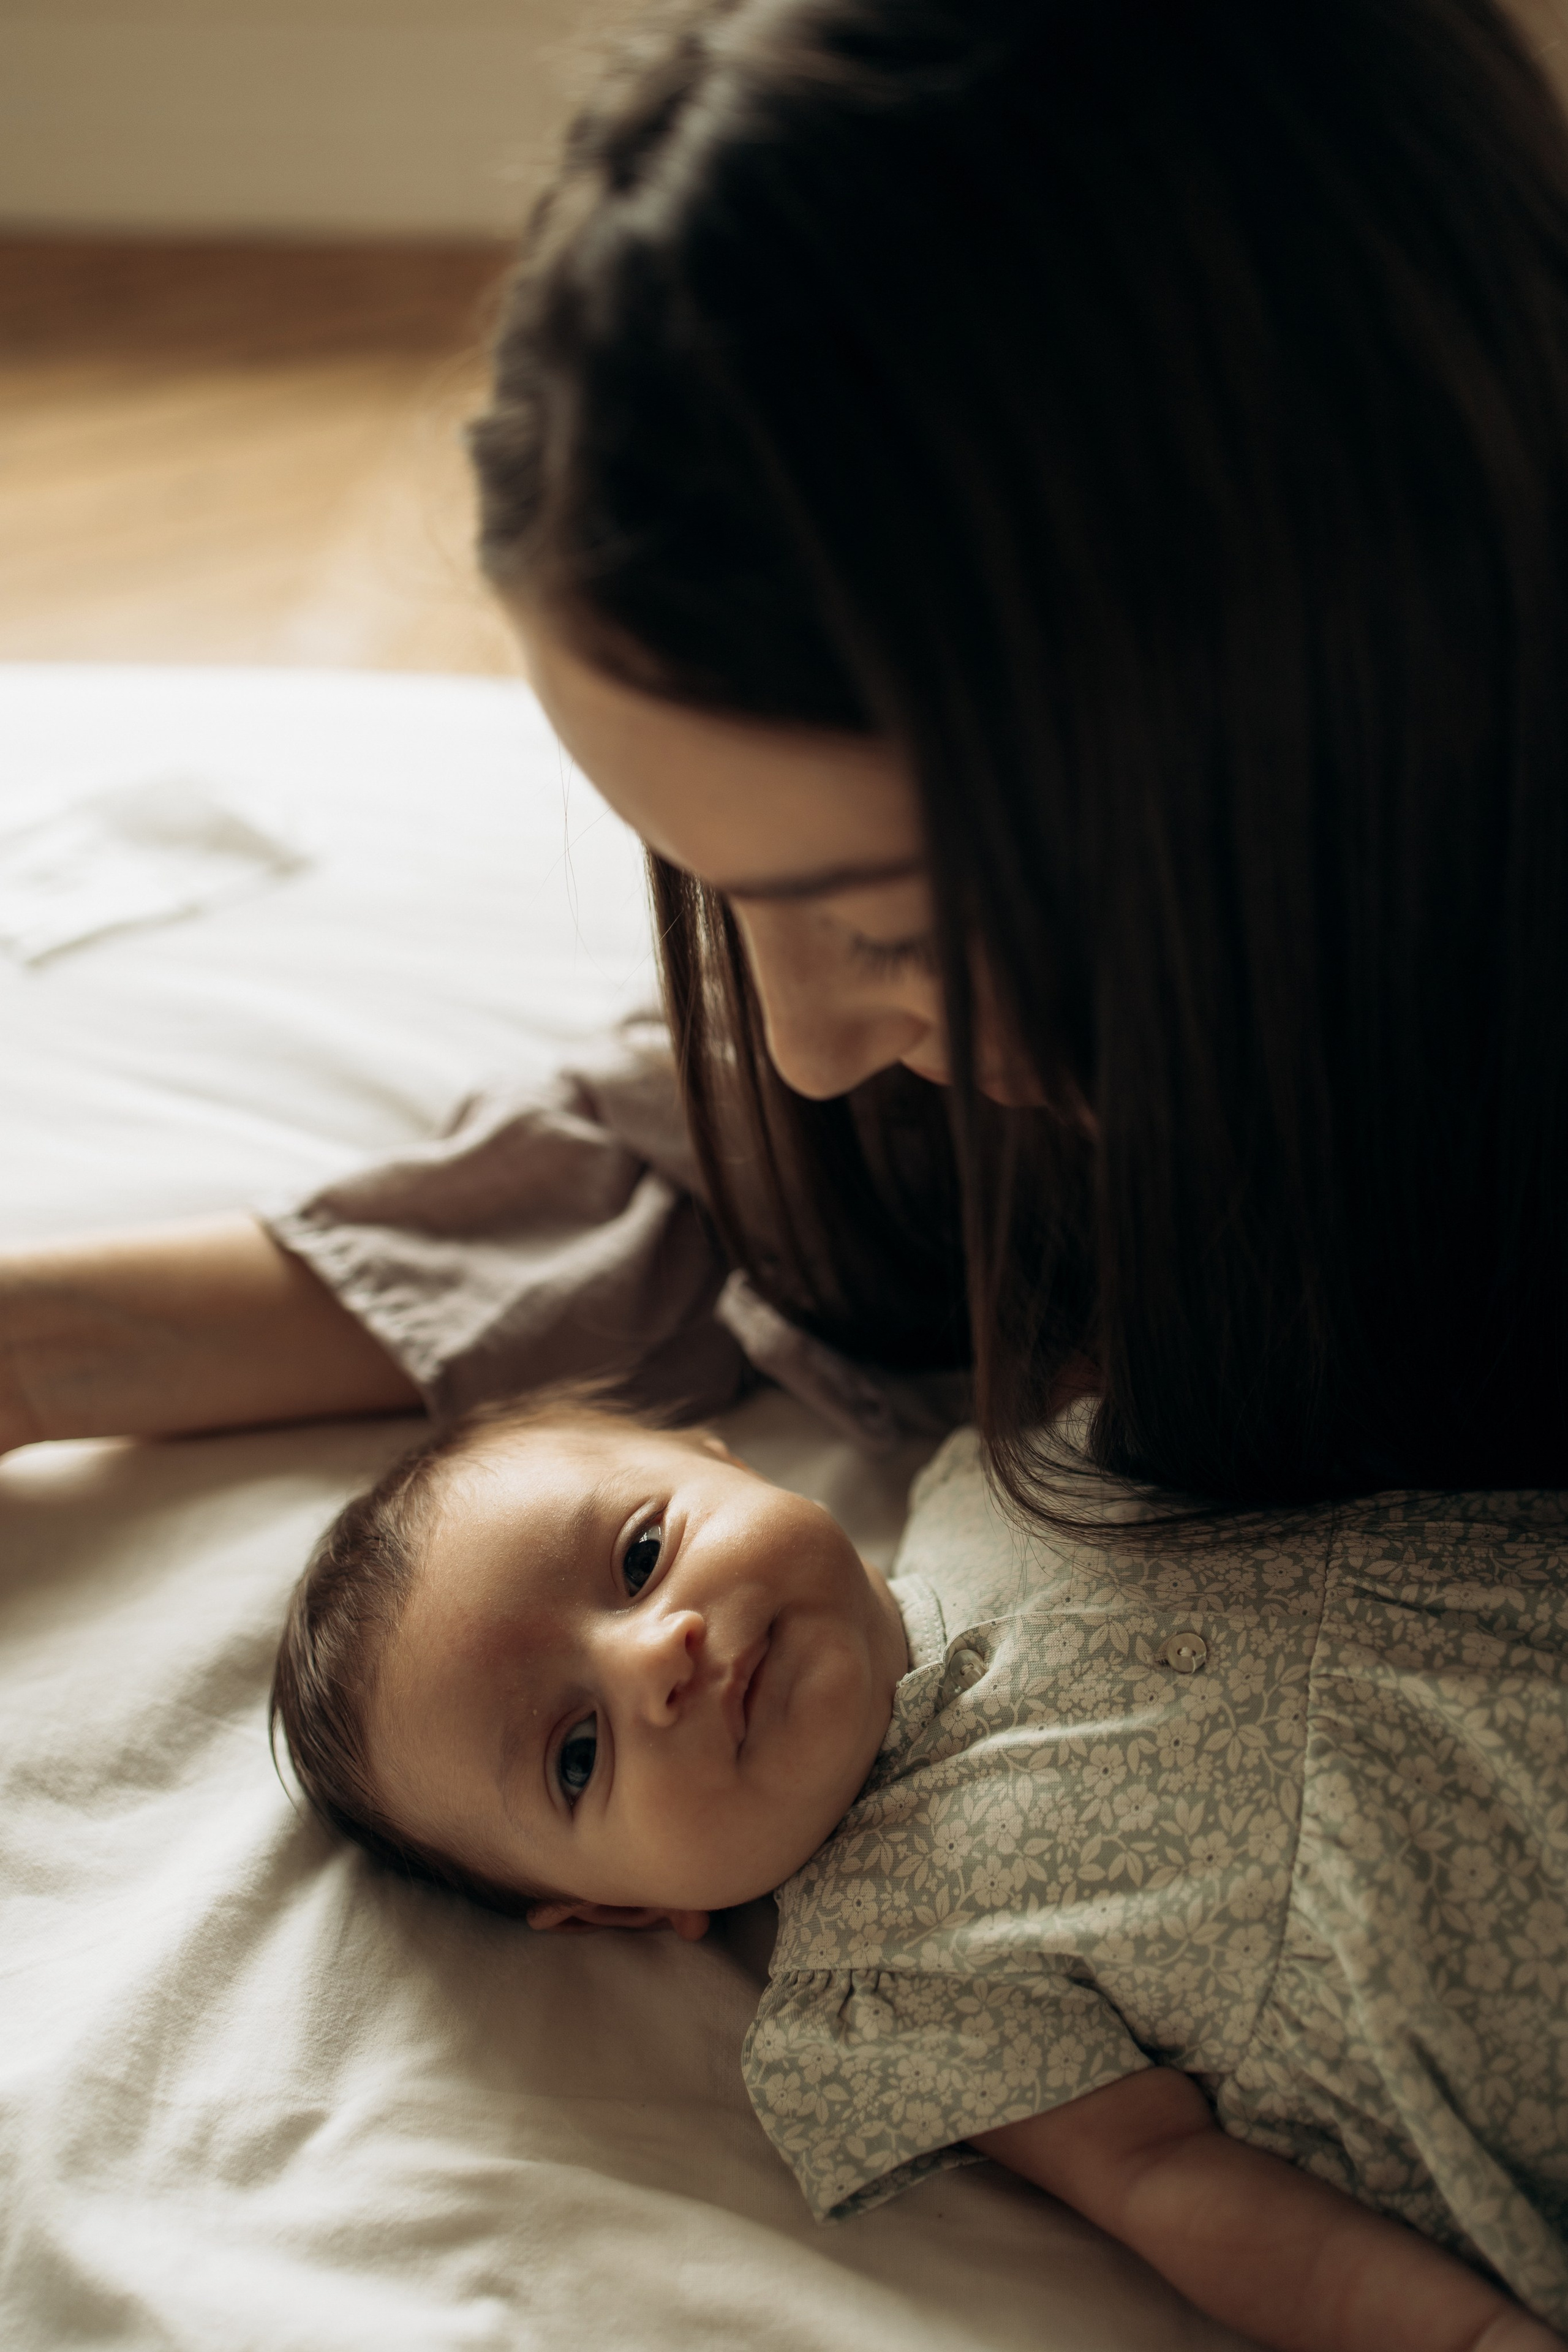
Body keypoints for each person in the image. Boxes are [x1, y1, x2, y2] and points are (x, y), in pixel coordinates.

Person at [2, 0, 1566, 1524]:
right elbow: (710, 1181)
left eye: (885, 929)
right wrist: (40, 1354)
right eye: (698, 876)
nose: (807, 1044)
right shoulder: (1053, 1047)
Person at [270, 1387, 1568, 2351]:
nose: (655, 1655)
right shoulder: (883, 1996)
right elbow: (1167, 2186)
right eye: (573, 1757)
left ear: (720, 1457)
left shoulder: (1016, 1468)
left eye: (639, 1555)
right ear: (619, 1904)